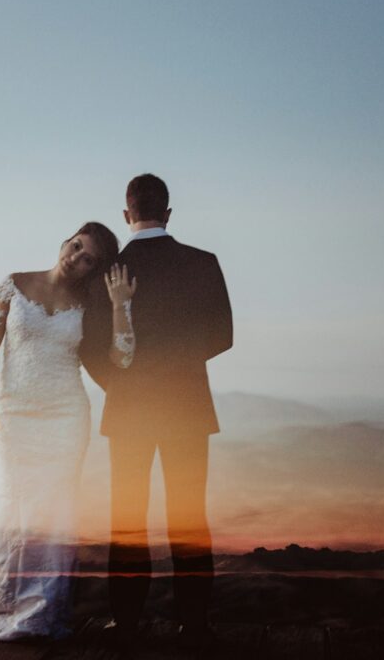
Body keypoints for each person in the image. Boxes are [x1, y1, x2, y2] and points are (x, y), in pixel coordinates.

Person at [0, 221, 136, 641]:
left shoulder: (90, 304)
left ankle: (40, 613)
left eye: (88, 259)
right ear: (65, 241)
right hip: (12, 413)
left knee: (54, 511)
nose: (76, 258)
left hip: (65, 418)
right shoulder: (14, 283)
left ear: (94, 269)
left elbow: (122, 359)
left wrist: (120, 305)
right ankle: (0, 604)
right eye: (76, 246)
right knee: (9, 501)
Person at [80, 174, 233, 650]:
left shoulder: (106, 271)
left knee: (128, 518)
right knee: (189, 518)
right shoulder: (203, 262)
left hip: (128, 411)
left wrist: (123, 383)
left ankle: (126, 624)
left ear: (127, 214)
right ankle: (195, 625)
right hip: (187, 407)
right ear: (167, 213)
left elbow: (89, 349)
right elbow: (222, 336)